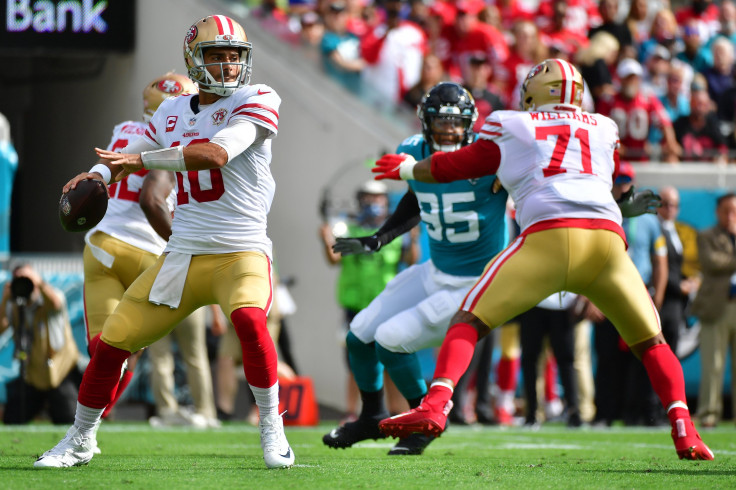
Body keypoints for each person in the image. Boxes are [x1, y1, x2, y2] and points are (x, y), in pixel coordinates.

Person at [374, 58, 714, 461]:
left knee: (468, 320)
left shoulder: (511, 123)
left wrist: (411, 169)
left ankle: (436, 404)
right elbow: (614, 180)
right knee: (653, 343)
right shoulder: (605, 128)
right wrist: (626, 203)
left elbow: (456, 165)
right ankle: (685, 430)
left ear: (535, 92)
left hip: (549, 237)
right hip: (606, 245)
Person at [35, 15, 294, 470]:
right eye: (218, 55)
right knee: (113, 341)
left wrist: (137, 159)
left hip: (241, 251)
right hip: (183, 254)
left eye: (235, 55)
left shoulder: (258, 98)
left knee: (251, 322)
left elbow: (215, 152)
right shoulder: (171, 112)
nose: (230, 64)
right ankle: (79, 439)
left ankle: (273, 429)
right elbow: (125, 159)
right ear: (195, 61)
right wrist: (97, 174)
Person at [322, 82, 508, 455]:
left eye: (456, 123)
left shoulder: (490, 158)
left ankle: (424, 420)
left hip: (472, 283)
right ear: (426, 123)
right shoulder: (412, 150)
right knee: (359, 335)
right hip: (435, 267)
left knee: (391, 339)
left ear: (470, 124)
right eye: (440, 122)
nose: (449, 131)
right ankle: (372, 417)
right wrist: (379, 238)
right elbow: (415, 198)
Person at [81, 72, 199, 425]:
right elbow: (153, 198)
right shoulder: (178, 136)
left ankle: (87, 425)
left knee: (103, 346)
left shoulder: (123, 130)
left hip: (104, 244)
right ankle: (97, 419)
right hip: (149, 252)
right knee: (126, 350)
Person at [1, 264, 79, 424]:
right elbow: (1, 327)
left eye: (27, 279)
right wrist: (5, 300)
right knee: (12, 419)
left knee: (68, 419)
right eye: (19, 280)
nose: (25, 284)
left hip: (60, 372)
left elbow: (55, 304)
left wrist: (39, 282)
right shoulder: (14, 305)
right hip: (32, 375)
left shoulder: (51, 295)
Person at [691, 193, 736, 428]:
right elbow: (712, 262)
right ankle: (709, 413)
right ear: (717, 212)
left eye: (734, 211)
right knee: (713, 364)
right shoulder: (707, 235)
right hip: (717, 306)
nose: (730, 216)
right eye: (726, 211)